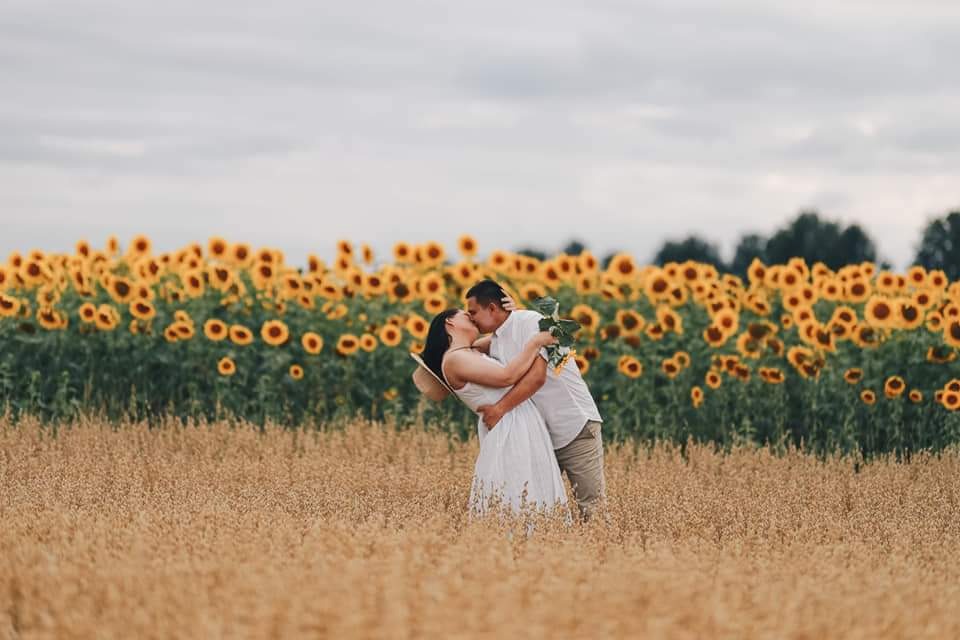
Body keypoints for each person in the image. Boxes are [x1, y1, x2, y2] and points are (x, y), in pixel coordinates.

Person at [465, 279, 606, 521]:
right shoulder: (498, 338)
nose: (471, 319)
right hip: (542, 434)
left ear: (492, 308)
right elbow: (478, 349)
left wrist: (500, 409)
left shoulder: (531, 323)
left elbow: (536, 378)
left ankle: (606, 555)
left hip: (574, 426)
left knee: (591, 509)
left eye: (473, 312)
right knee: (538, 507)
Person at [421, 308, 569, 517]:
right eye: (465, 315)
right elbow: (507, 376)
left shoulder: (469, 352)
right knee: (517, 493)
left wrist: (511, 312)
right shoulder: (454, 359)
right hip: (508, 428)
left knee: (532, 493)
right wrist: (536, 342)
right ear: (450, 323)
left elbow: (506, 334)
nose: (472, 317)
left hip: (518, 422)